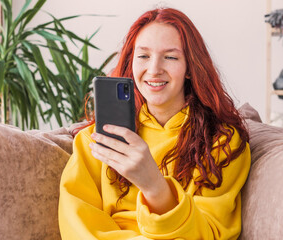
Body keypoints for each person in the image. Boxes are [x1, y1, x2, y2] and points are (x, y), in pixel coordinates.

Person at [58, 7, 251, 240]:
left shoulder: (222, 142)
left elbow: (209, 233)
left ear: (190, 67)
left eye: (170, 57)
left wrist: (154, 187)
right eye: (143, 56)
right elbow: (77, 225)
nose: (154, 69)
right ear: (131, 63)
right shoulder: (94, 141)